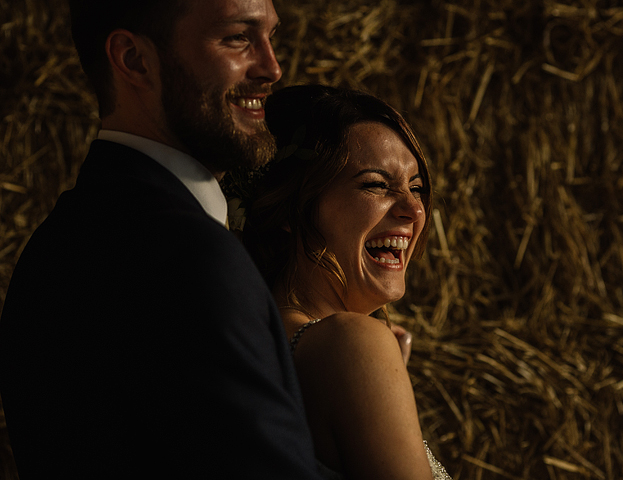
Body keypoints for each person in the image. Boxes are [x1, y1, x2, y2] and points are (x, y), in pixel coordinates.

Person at [0, 1, 322, 478]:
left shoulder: (54, 245)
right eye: (238, 37)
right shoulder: (194, 258)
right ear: (133, 60)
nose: (272, 68)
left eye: (272, 37)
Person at [225, 84, 452, 479]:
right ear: (291, 207)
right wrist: (369, 358)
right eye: (377, 184)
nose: (414, 209)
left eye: (416, 187)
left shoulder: (251, 346)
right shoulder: (353, 343)